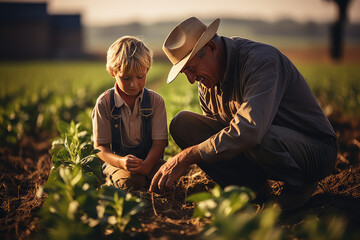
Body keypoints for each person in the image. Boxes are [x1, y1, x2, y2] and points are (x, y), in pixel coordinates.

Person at [149, 17, 338, 210]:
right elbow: (222, 139)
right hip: (263, 146)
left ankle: (299, 187)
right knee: (182, 123)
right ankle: (251, 188)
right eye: (185, 73)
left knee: (254, 133)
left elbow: (249, 131)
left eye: (191, 68)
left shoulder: (261, 61)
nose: (191, 79)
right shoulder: (206, 81)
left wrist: (188, 156)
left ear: (212, 48)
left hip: (315, 151)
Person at [92, 36, 168, 190]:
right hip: (117, 164)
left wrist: (147, 165)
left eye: (140, 77)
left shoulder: (156, 102)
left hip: (151, 162)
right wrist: (121, 162)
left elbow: (159, 144)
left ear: (147, 70)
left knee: (167, 178)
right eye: (126, 78)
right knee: (131, 182)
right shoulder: (104, 103)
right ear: (113, 72)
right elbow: (101, 147)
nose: (134, 84)